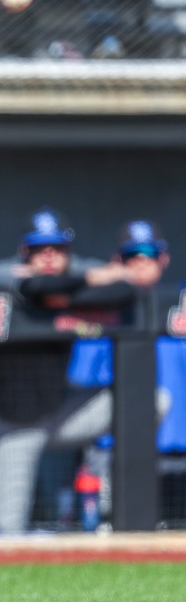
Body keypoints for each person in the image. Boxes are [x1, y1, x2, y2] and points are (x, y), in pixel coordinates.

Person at [0, 207, 137, 534]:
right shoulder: (3, 272)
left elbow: (125, 288)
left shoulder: (77, 269)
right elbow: (38, 290)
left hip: (61, 412)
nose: (49, 256)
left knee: (151, 401)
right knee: (6, 535)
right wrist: (82, 288)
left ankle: (115, 510)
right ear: (25, 251)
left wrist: (66, 292)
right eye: (40, 248)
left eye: (57, 248)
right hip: (10, 425)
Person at [65, 220, 175, 522]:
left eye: (149, 254)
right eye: (131, 256)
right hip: (115, 453)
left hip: (178, 454)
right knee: (115, 539)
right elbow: (79, 382)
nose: (140, 263)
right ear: (117, 262)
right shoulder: (99, 312)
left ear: (163, 259)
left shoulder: (180, 304)